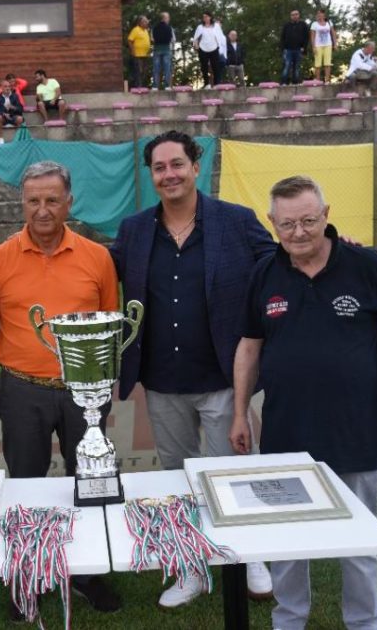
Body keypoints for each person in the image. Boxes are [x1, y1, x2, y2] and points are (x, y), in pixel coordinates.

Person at [230, 175, 377, 630]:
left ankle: (364, 621)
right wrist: (240, 412)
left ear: (326, 214)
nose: (298, 232)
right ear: (271, 223)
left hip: (353, 428)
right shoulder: (263, 274)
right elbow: (249, 345)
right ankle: (289, 617)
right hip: (286, 429)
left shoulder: (364, 264)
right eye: (287, 224)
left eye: (308, 220)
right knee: (287, 536)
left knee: (358, 538)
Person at [110, 130, 277, 608]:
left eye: (177, 164)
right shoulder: (135, 230)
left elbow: (277, 265)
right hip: (162, 380)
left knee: (235, 473)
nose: (169, 174)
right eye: (160, 168)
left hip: (225, 377)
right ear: (151, 175)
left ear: (195, 166)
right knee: (176, 477)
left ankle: (251, 559)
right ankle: (190, 567)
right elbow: (99, 273)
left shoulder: (236, 221)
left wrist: (332, 246)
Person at [0, 161, 122, 618]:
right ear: (22, 202)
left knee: (91, 481)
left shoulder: (97, 257)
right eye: (33, 200)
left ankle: (88, 572)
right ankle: (30, 578)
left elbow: (107, 323)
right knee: (26, 484)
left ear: (68, 203)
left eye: (52, 200)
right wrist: (25, 361)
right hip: (23, 391)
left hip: (85, 393)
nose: (42, 209)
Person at [193, 12, 226, 89]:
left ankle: (216, 84)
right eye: (203, 17)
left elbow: (221, 37)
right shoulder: (200, 27)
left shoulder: (216, 26)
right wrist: (196, 46)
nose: (205, 18)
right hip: (203, 49)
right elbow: (195, 38)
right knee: (204, 67)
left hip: (214, 48)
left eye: (206, 16)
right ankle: (206, 83)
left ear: (210, 17)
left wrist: (220, 48)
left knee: (215, 67)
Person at [280, 10, 310, 85]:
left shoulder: (303, 25)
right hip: (288, 49)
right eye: (293, 15)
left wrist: (304, 47)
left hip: (298, 49)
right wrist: (283, 48)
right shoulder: (287, 25)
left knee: (296, 67)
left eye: (296, 14)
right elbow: (282, 37)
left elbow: (306, 37)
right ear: (290, 16)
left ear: (299, 15)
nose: (294, 16)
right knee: (287, 66)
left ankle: (295, 82)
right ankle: (284, 82)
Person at [0, 78, 24, 144]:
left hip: (13, 116)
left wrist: (13, 107)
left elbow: (20, 109)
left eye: (9, 86)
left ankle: (18, 139)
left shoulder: (15, 96)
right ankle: (0, 138)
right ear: (2, 88)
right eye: (5, 86)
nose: (8, 88)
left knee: (20, 119)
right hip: (4, 118)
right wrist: (4, 114)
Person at [310, 9, 337, 83]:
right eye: (317, 14)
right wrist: (313, 47)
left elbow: (333, 33)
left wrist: (335, 44)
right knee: (318, 64)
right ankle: (317, 81)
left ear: (324, 15)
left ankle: (327, 80)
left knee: (327, 64)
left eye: (320, 14)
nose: (319, 15)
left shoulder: (329, 22)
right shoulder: (314, 24)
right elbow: (312, 36)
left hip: (328, 44)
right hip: (318, 45)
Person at [151, 11, 175, 91]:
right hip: (166, 49)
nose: (169, 19)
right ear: (165, 18)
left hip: (157, 49)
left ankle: (155, 86)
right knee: (167, 68)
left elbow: (152, 39)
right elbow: (173, 39)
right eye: (168, 17)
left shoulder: (154, 27)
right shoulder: (169, 28)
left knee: (156, 69)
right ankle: (167, 86)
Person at [127, 15, 151, 89]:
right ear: (140, 22)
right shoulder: (136, 30)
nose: (146, 23)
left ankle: (142, 86)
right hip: (137, 55)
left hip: (145, 55)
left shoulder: (146, 31)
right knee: (138, 71)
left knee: (144, 71)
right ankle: (138, 87)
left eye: (147, 21)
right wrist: (132, 51)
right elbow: (130, 40)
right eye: (145, 21)